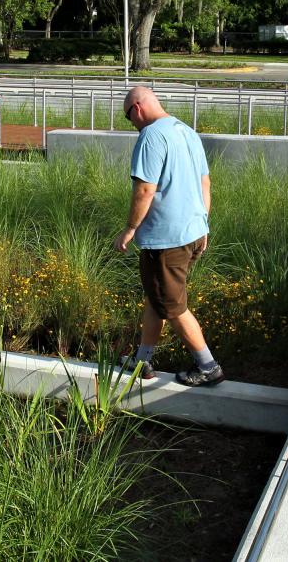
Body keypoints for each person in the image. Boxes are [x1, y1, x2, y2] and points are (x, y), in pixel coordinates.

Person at [114, 86, 223, 387]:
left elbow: (145, 189)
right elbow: (205, 183)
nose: (132, 124)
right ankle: (142, 360)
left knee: (174, 307)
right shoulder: (186, 131)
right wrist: (203, 224)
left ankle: (208, 366)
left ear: (136, 109)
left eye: (128, 118)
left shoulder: (151, 136)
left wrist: (130, 228)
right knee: (156, 296)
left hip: (166, 239)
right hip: (192, 232)